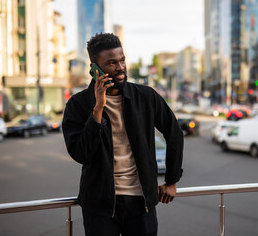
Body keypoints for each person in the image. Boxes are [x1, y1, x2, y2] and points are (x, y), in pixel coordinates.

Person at [62, 32, 184, 236]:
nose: (120, 68)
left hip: (141, 203)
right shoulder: (78, 104)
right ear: (94, 68)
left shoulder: (145, 96)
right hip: (99, 207)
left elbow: (174, 134)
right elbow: (81, 154)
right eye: (111, 63)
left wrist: (171, 180)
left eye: (122, 60)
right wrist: (97, 110)